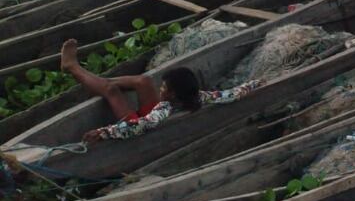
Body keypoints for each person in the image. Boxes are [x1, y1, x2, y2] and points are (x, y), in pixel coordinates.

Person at [60, 38, 260, 143]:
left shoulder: (162, 110)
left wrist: (105, 132)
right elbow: (231, 94)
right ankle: (96, 82)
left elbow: (139, 126)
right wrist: (254, 84)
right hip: (149, 117)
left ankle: (72, 67)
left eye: (164, 88)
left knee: (112, 91)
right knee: (144, 81)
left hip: (136, 124)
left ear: (171, 95)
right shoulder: (198, 97)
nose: (160, 89)